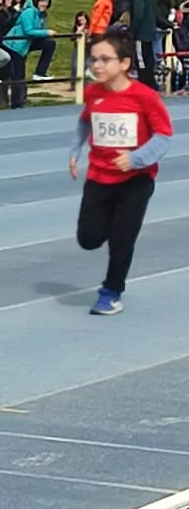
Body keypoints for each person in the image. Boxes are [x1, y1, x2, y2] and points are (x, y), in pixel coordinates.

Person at [72, 33, 173, 315]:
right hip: (99, 176)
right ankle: (108, 227)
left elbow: (164, 136)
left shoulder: (145, 96)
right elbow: (84, 123)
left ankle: (111, 291)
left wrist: (136, 158)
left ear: (125, 62)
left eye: (105, 59)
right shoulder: (93, 92)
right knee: (88, 239)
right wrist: (74, 151)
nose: (98, 65)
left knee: (122, 239)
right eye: (94, 59)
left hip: (136, 180)